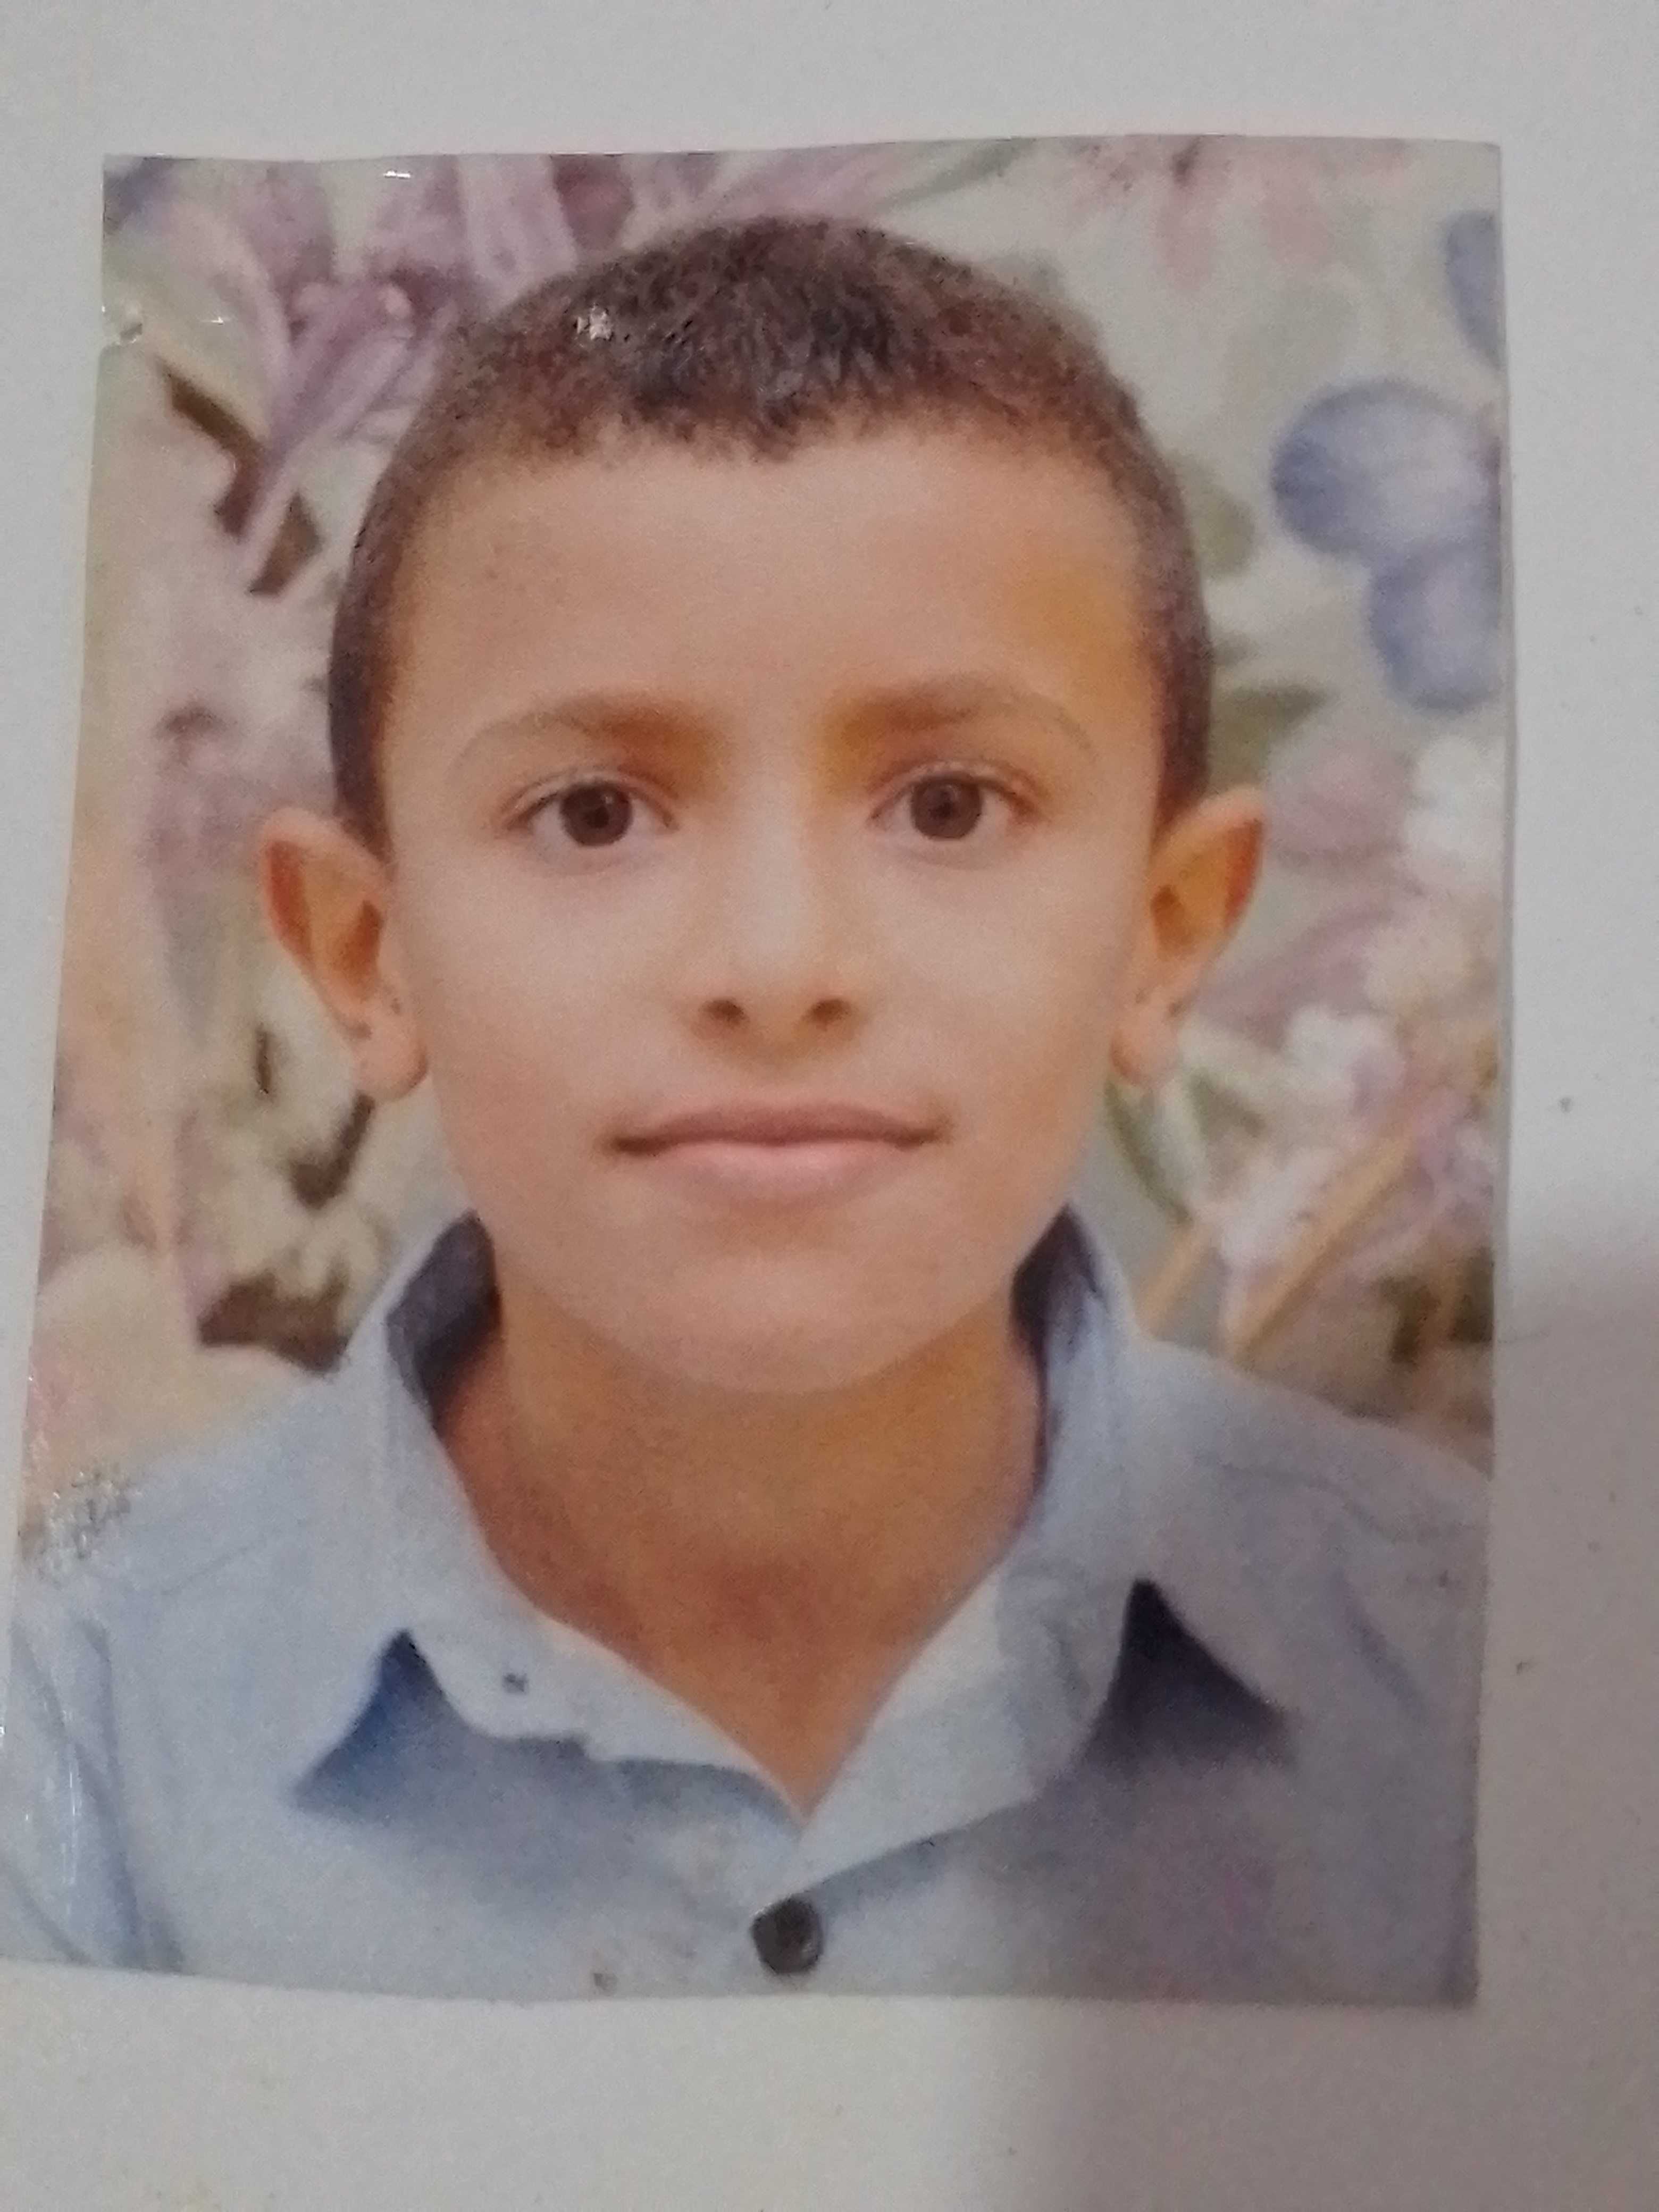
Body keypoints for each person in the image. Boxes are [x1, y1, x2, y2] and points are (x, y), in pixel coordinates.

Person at [0, 217, 1485, 2002]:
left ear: (1162, 937)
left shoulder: (1493, 1676)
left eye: (948, 806)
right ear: (366, 954)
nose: (778, 968)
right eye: (595, 814)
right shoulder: (77, 1734)